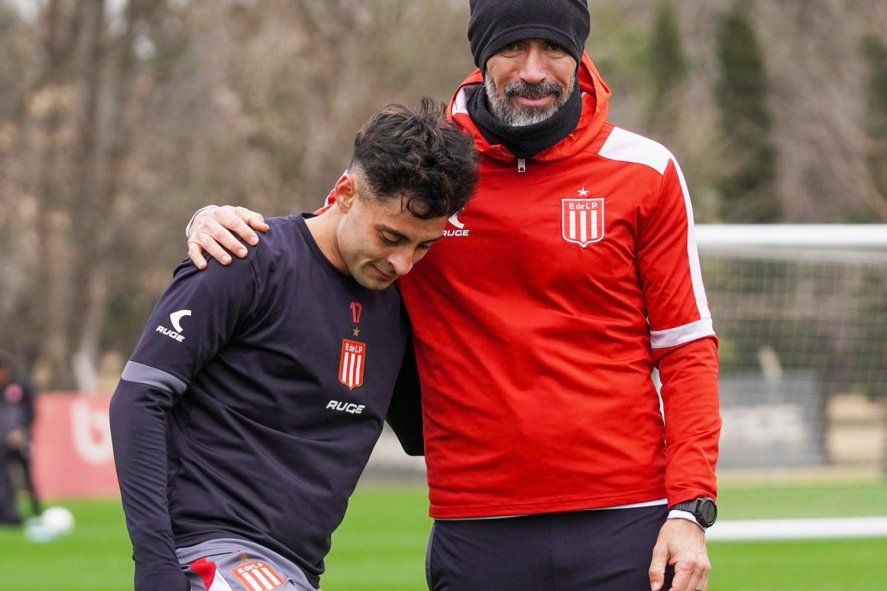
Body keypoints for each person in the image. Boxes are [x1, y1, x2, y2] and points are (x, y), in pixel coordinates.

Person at [185, 2, 721, 590]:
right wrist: (217, 220)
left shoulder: (645, 169)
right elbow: (324, 248)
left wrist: (689, 507)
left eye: (556, 50)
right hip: (475, 519)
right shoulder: (426, 166)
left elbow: (686, 346)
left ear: (580, 54)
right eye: (513, 48)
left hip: (627, 515)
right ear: (480, 52)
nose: (535, 71)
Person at [110, 100, 477, 591]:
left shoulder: (400, 307)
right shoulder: (244, 258)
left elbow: (427, 431)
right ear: (345, 193)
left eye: (423, 246)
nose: (403, 262)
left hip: (293, 570)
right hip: (209, 548)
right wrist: (154, 568)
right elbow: (138, 398)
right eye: (390, 236)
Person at [0, 352, 42, 525]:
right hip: (3, 443)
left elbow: (30, 411)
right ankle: (9, 515)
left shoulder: (22, 384)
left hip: (22, 440)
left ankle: (37, 512)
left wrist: (24, 432)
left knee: (27, 476)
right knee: (4, 479)